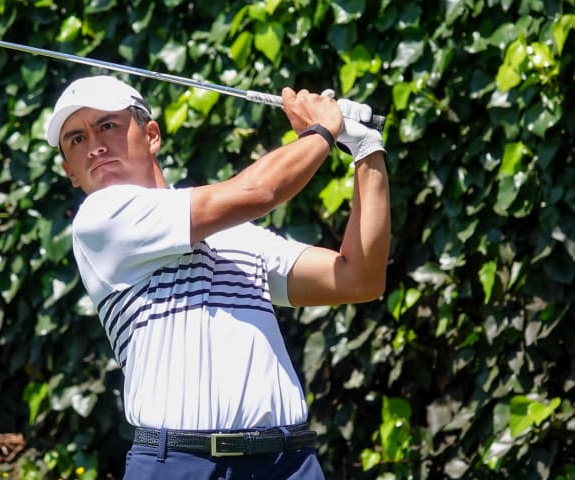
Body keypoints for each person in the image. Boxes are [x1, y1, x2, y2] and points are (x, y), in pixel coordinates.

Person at [45, 75, 390, 479]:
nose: (96, 146)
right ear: (69, 171)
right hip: (179, 465)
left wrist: (366, 149)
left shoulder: (235, 234)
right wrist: (324, 130)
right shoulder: (100, 220)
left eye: (107, 125)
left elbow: (358, 277)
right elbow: (260, 192)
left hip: (286, 463)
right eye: (76, 139)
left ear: (152, 134)